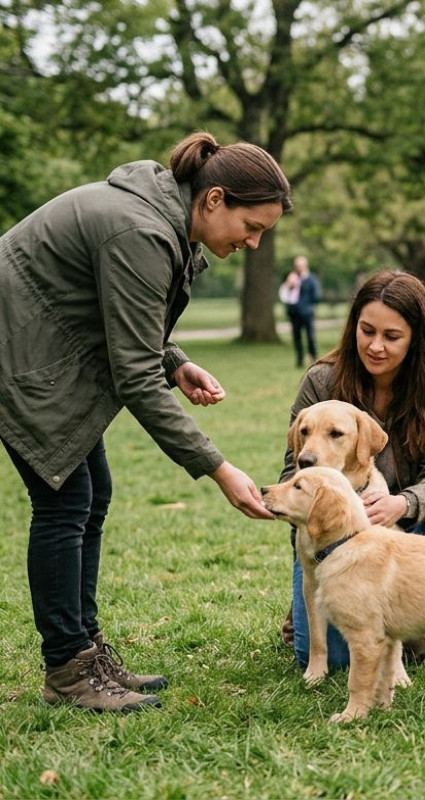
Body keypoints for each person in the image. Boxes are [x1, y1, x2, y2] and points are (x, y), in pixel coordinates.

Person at [0, 131, 289, 712]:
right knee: (64, 503)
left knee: (91, 494)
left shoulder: (160, 219)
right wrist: (217, 467)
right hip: (20, 353)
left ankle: (85, 651)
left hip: (45, 346)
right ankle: (68, 669)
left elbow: (127, 318)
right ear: (214, 200)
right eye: (251, 226)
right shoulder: (141, 230)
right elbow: (133, 375)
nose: (254, 243)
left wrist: (174, 361)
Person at [281, 270, 425, 670]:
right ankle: (311, 615)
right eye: (367, 331)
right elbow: (293, 473)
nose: (375, 346)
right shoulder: (322, 381)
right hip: (335, 546)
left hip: (408, 531)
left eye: (391, 337)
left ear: (415, 339)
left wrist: (402, 504)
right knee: (333, 660)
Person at [285, 255, 320, 368]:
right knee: (297, 337)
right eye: (296, 266)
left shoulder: (311, 279)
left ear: (305, 266)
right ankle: (299, 360)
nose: (298, 268)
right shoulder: (292, 278)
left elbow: (316, 296)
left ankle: (314, 358)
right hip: (294, 313)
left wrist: (307, 305)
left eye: (300, 265)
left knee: (310, 337)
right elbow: (286, 295)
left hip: (307, 313)